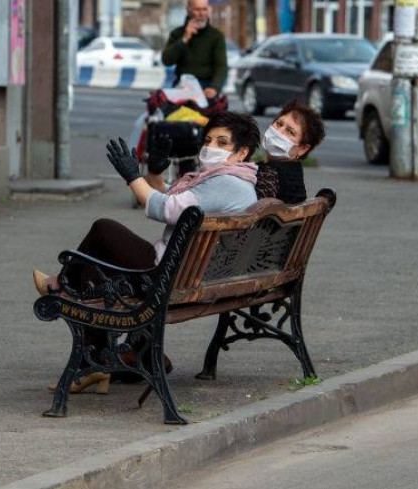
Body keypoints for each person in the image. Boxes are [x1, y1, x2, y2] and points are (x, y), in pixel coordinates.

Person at [34, 111, 262, 392]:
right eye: (208, 140)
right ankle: (127, 354)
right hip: (194, 275)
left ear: (241, 153)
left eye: (222, 142)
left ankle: (64, 292)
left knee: (104, 230)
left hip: (171, 277)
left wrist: (132, 176)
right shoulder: (236, 182)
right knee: (98, 266)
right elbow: (178, 200)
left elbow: (167, 209)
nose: (210, 146)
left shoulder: (225, 183)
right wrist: (154, 174)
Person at [255, 100, 326, 205]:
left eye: (290, 131)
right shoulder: (294, 175)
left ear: (302, 149)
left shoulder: (266, 176)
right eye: (279, 124)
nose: (279, 132)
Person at [161, 0, 227, 100]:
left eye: (204, 9)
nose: (201, 14)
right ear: (189, 10)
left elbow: (221, 67)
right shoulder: (177, 34)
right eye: (197, 9)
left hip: (207, 87)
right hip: (183, 86)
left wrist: (215, 88)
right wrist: (184, 39)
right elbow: (166, 60)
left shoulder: (216, 36)